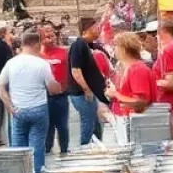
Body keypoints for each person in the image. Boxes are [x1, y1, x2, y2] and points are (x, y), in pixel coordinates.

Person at [0, 29, 60, 173]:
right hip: (38, 107)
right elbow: (52, 87)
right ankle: (36, 170)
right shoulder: (42, 64)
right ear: (36, 44)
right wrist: (58, 86)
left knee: (18, 144)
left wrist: (9, 104)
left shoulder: (11, 63)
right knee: (37, 142)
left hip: (18, 109)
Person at [68, 17, 111, 145]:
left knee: (95, 125)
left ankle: (96, 147)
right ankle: (85, 149)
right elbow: (76, 70)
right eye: (96, 27)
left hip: (91, 94)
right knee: (89, 124)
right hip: (82, 94)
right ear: (88, 28)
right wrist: (86, 89)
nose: (99, 29)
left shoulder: (88, 46)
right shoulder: (78, 45)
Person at [39, 24, 70, 158]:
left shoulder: (64, 52)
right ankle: (47, 149)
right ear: (41, 40)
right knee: (47, 125)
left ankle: (64, 148)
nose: (51, 39)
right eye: (47, 37)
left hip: (60, 95)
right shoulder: (38, 55)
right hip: (43, 95)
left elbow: (70, 70)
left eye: (52, 36)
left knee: (62, 124)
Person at [108, 31, 156, 116]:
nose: (114, 49)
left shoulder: (138, 69)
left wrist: (116, 94)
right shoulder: (129, 68)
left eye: (116, 46)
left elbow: (141, 101)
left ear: (123, 49)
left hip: (136, 123)